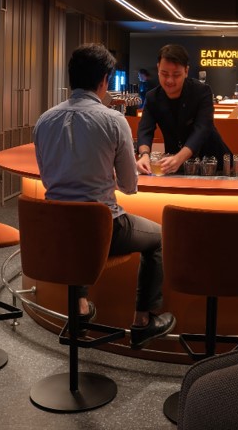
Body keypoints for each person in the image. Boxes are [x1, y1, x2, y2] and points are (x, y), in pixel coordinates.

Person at [33, 43, 175, 349]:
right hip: (103, 230)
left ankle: (80, 309)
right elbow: (129, 186)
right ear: (104, 80)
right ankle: (143, 320)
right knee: (161, 237)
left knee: (76, 230)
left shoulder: (44, 120)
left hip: (56, 229)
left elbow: (47, 178)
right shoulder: (113, 120)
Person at [136, 44, 232, 174]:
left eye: (176, 75)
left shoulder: (202, 91)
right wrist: (144, 155)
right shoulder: (153, 97)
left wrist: (179, 158)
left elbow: (202, 128)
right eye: (164, 74)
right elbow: (145, 129)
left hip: (212, 161)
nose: (170, 80)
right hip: (176, 164)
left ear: (186, 71)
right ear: (158, 68)